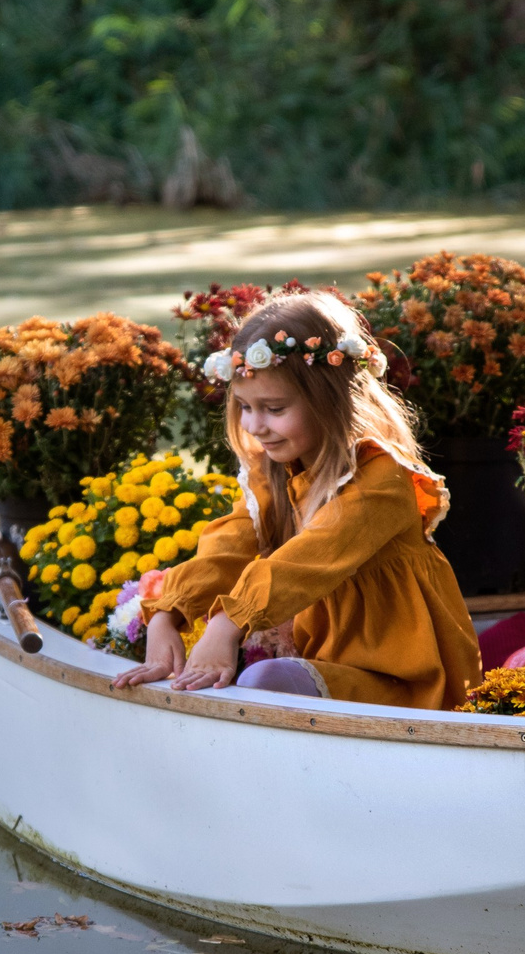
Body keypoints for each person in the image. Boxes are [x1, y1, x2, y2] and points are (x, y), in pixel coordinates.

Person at [111, 291, 483, 708]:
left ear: (331, 399)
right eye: (245, 407)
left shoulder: (382, 479)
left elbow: (309, 559)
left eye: (273, 408)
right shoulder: (274, 469)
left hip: (402, 679)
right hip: (325, 663)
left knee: (264, 681)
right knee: (256, 683)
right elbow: (229, 545)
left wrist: (225, 625)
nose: (255, 425)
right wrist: (168, 613)